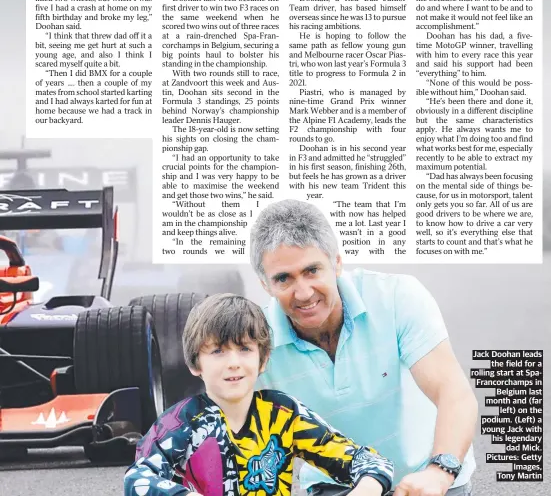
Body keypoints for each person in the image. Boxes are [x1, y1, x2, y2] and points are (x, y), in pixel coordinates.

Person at [250, 200, 478, 496]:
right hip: (337, 486)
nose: (304, 293)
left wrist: (439, 472)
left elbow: (454, 394)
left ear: (337, 263)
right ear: (266, 285)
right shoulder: (256, 341)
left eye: (312, 271)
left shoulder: (398, 296)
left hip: (427, 478)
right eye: (283, 278)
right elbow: (238, 439)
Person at [124, 293, 394, 496]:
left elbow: (367, 460)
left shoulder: (283, 414)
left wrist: (365, 489)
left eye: (244, 349)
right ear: (196, 364)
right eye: (218, 351)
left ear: (262, 360)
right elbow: (138, 479)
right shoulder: (181, 422)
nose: (233, 362)